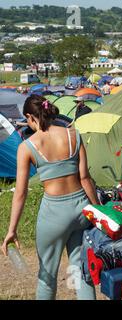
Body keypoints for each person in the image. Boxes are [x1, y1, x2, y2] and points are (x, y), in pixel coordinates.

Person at [1, 94, 98, 300]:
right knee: (81, 272)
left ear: (31, 117)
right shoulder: (74, 134)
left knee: (47, 275)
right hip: (81, 209)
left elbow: (20, 192)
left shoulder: (27, 146)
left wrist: (12, 230)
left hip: (54, 214)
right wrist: (99, 211)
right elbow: (85, 178)